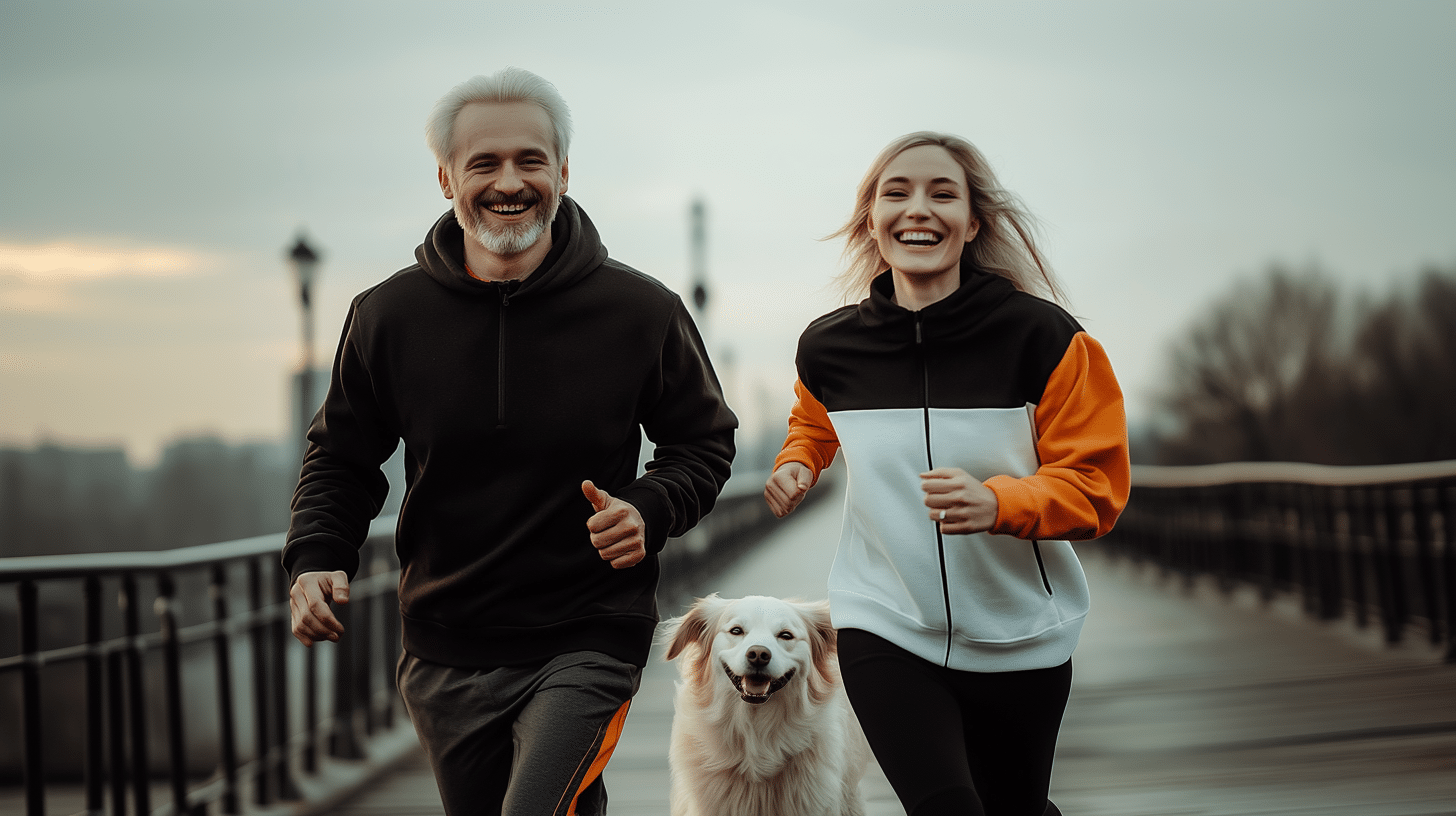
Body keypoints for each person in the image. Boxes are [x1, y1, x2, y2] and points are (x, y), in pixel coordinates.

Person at [283, 67, 737, 816]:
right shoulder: (387, 316)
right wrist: (316, 556)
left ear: (562, 171)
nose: (509, 182)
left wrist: (650, 508)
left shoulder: (641, 310)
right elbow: (342, 456)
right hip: (445, 646)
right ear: (445, 178)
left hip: (589, 632)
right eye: (484, 163)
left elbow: (704, 443)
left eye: (531, 160)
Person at [764, 132, 1129, 816]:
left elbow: (1097, 486)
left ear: (973, 222)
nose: (917, 209)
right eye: (895, 193)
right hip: (885, 619)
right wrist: (797, 463)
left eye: (942, 193)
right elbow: (814, 422)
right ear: (871, 221)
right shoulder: (831, 347)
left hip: (1019, 631)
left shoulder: (1048, 340)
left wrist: (999, 503)